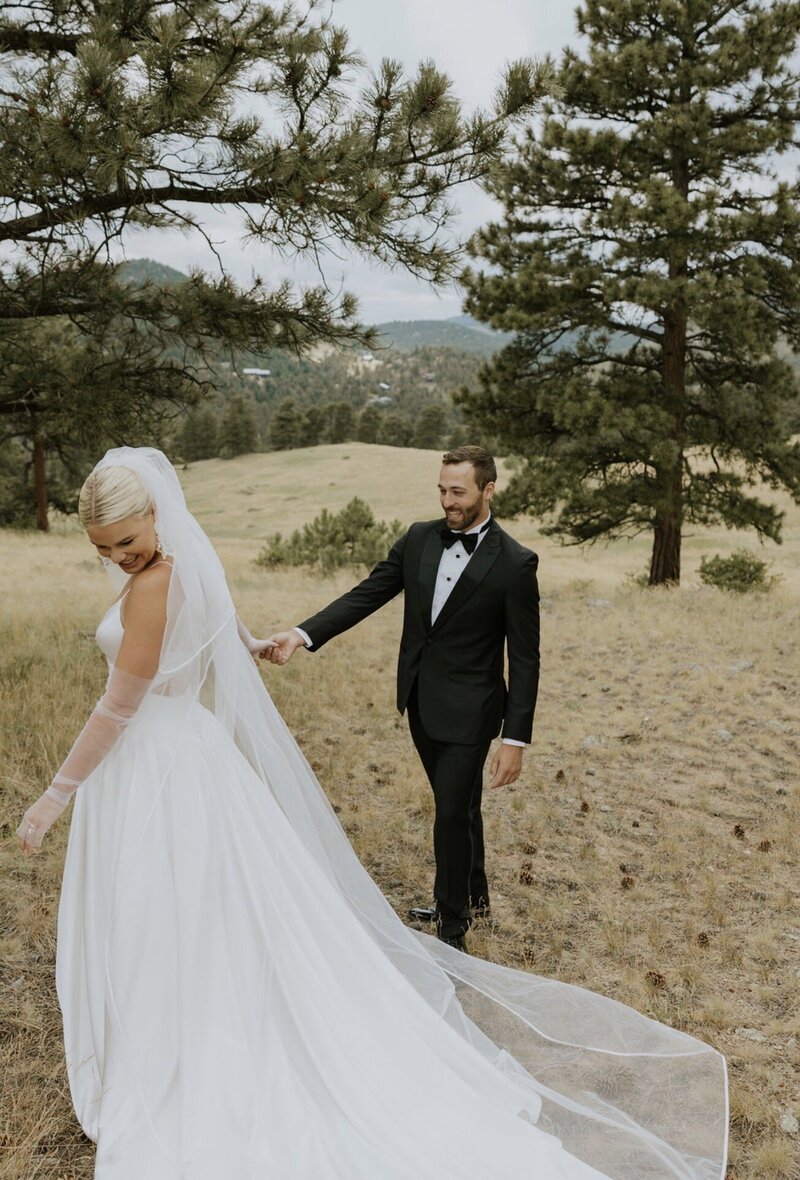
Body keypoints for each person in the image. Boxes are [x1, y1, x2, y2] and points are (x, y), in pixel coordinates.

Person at [17, 447, 727, 1180]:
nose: (118, 559)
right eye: (103, 550)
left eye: (127, 543)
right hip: (203, 750)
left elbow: (118, 704)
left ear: (157, 517)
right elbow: (289, 607)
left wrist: (54, 795)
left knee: (198, 899)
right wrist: (276, 638)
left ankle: (440, 922)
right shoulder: (195, 565)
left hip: (170, 755)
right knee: (199, 907)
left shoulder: (161, 582)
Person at [265, 446, 538, 951]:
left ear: (488, 490)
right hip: (420, 701)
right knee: (459, 804)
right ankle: (475, 898)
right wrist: (303, 635)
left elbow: (525, 659)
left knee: (451, 813)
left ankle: (452, 927)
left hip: (474, 711)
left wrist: (515, 738)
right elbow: (366, 594)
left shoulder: (516, 564)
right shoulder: (417, 539)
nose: (447, 500)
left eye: (458, 492)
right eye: (441, 490)